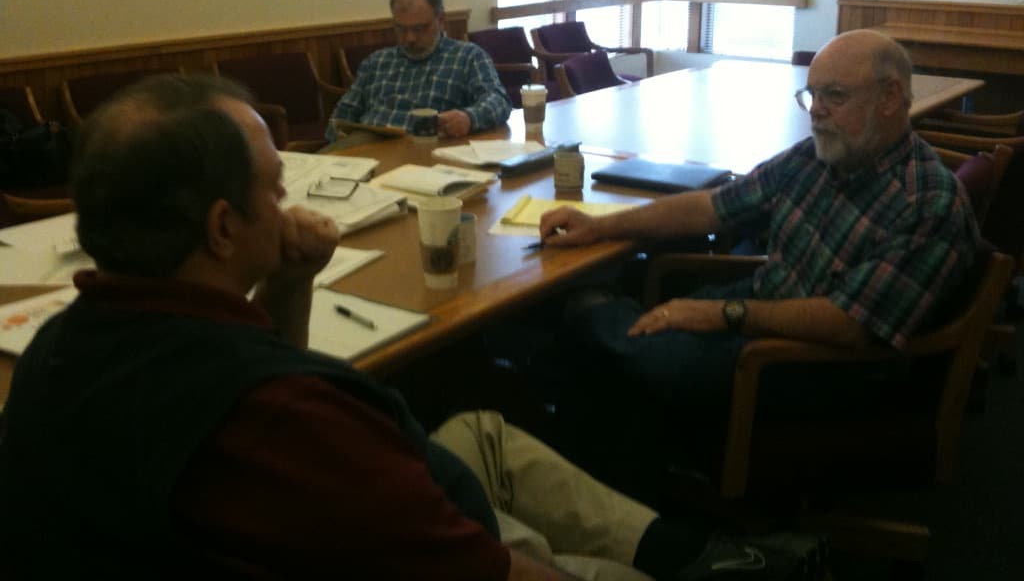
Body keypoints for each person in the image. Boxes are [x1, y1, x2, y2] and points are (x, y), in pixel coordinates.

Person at [0, 75, 825, 580]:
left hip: (373, 521)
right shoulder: (284, 426)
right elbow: (479, 569)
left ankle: (698, 553)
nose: (288, 205)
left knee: (481, 432)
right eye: (275, 187)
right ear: (222, 229)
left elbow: (261, 378)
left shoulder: (60, 350)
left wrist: (291, 280)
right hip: (444, 551)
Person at [535, 29, 981, 489]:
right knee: (630, 349)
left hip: (827, 368)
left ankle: (586, 334)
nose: (818, 112)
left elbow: (849, 324)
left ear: (890, 98)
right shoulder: (818, 157)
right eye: (811, 96)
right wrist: (601, 225)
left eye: (835, 96)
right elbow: (715, 206)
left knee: (612, 338)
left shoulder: (926, 202)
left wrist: (722, 314)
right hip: (765, 311)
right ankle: (610, 481)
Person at [326, 0, 512, 141]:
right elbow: (341, 118)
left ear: (441, 20)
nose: (410, 38)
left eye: (419, 28)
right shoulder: (376, 62)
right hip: (367, 154)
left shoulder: (467, 57)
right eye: (400, 29)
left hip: (425, 159)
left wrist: (469, 118)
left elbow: (499, 101)